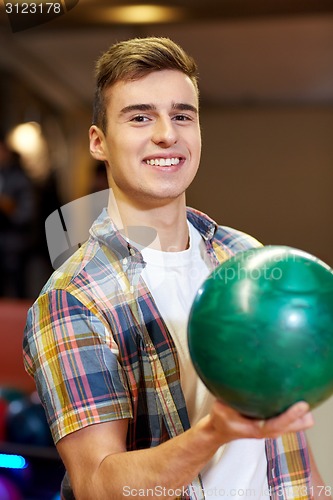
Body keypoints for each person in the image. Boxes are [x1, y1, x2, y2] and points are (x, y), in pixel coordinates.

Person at [23, 37, 329, 500]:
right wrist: (216, 431)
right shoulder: (73, 299)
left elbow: (301, 443)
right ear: (98, 142)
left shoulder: (245, 257)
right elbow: (99, 486)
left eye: (183, 115)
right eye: (141, 116)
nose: (167, 133)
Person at [0, 138, 34, 298]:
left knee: (17, 292)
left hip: (14, 246)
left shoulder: (19, 179)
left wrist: (9, 208)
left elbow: (26, 214)